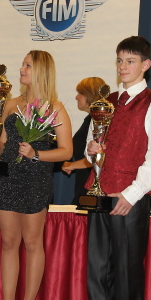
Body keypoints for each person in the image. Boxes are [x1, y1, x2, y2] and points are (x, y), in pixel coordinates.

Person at [69, 35, 151, 300]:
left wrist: (132, 194)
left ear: (145, 65)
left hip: (130, 197)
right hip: (99, 192)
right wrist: (92, 150)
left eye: (130, 61)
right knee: (97, 269)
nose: (123, 67)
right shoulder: (106, 102)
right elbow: (91, 149)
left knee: (126, 271)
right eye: (119, 60)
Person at [0, 51, 72, 300]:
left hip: (35, 180)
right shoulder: (11, 104)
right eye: (22, 65)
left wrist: (37, 154)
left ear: (41, 71)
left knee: (33, 244)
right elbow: (4, 141)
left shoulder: (56, 108)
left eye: (27, 66)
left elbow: (66, 151)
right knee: (8, 242)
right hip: (7, 178)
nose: (21, 69)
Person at [62, 77, 106, 205]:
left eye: (80, 93)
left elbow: (100, 155)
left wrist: (73, 165)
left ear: (89, 95)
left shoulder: (99, 121)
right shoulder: (89, 120)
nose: (76, 97)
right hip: (84, 181)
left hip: (92, 184)